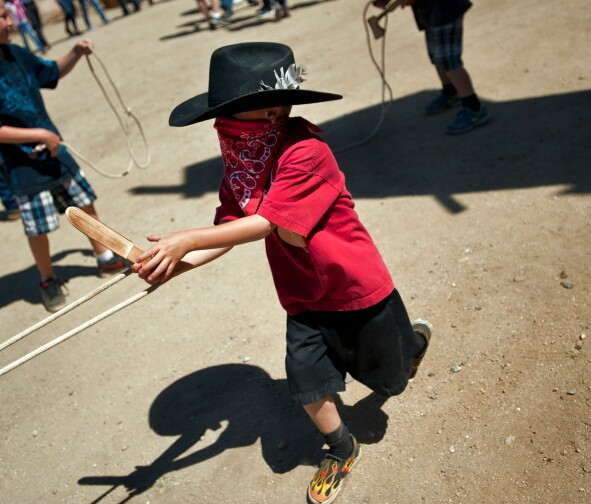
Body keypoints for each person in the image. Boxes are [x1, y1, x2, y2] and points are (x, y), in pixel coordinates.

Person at [132, 42, 433, 504]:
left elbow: (266, 223)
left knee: (390, 374)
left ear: (272, 109)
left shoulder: (306, 149)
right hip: (303, 295)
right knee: (307, 380)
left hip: (354, 286)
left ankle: (408, 343)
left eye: (232, 118)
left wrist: (186, 239)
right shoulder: (243, 166)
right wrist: (178, 264)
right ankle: (341, 448)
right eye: (220, 120)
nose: (222, 129)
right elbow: (230, 229)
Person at [0, 7, 129, 312]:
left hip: (55, 149)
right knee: (37, 225)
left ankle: (104, 255)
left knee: (83, 201)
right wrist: (37, 136)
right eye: (3, 17)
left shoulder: (16, 53)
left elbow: (51, 71)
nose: (11, 21)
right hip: (23, 163)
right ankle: (47, 278)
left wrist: (75, 52)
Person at [374, 0, 489, 134]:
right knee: (437, 57)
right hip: (433, 16)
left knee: (449, 61)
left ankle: (474, 108)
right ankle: (450, 91)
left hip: (445, 13)